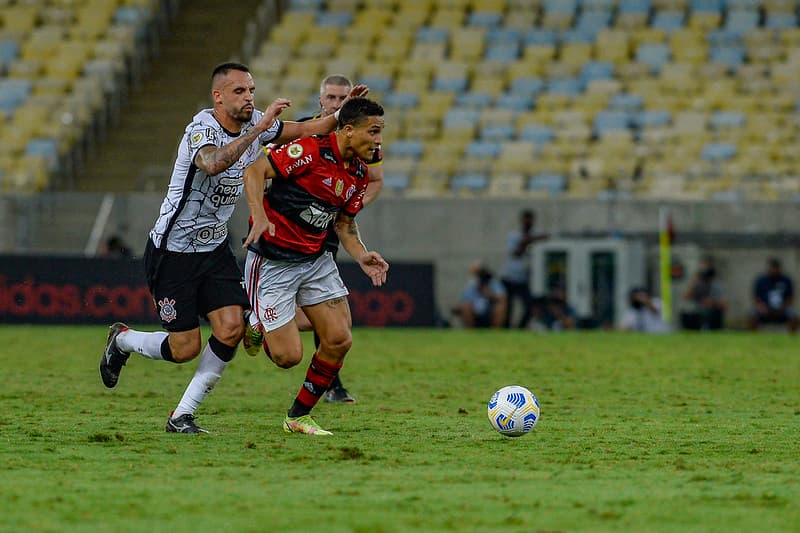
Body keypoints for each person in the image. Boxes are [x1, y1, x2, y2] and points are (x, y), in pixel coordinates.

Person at [99, 62, 368, 434]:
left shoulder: (255, 121)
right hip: (173, 251)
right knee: (184, 348)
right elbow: (212, 164)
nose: (249, 98)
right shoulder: (202, 128)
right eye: (240, 91)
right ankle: (124, 340)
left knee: (230, 329)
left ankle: (182, 416)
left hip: (214, 250)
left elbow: (308, 128)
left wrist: (341, 114)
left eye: (252, 91)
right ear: (219, 96)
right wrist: (258, 130)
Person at [242, 97, 388, 436]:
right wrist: (260, 216)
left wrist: (362, 255)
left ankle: (298, 416)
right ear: (348, 130)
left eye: (381, 133)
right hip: (274, 260)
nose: (379, 141)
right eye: (374, 131)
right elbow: (255, 171)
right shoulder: (309, 151)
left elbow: (344, 225)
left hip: (316, 259)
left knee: (339, 338)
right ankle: (257, 320)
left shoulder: (358, 173)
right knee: (287, 357)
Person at [500, 209, 547, 329]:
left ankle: (520, 328)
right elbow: (516, 253)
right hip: (509, 277)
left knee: (529, 306)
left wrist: (532, 239)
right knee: (508, 308)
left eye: (530, 219)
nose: (528, 222)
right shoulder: (513, 235)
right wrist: (528, 240)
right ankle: (506, 329)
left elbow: (546, 238)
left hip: (523, 279)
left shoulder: (535, 233)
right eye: (526, 219)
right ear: (521, 220)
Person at [748, 257, 799, 333]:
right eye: (772, 268)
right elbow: (756, 297)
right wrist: (761, 307)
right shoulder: (761, 280)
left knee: (793, 314)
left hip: (782, 308)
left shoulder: (786, 280)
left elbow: (790, 298)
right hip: (765, 308)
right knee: (752, 314)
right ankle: (753, 336)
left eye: (776, 268)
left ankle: (792, 336)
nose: (774, 270)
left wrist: (783, 308)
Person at [456, 260, 507, 328]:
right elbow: (465, 300)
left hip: (490, 312)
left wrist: (489, 295)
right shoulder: (471, 286)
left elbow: (502, 298)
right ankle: (471, 333)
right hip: (475, 313)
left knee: (501, 306)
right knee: (465, 307)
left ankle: (495, 332)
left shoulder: (493, 283)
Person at [680, 256, 726, 330]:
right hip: (697, 312)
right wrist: (694, 280)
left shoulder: (715, 284)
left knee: (711, 314)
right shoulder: (696, 283)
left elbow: (724, 304)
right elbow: (685, 297)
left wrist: (713, 302)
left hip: (711, 313)